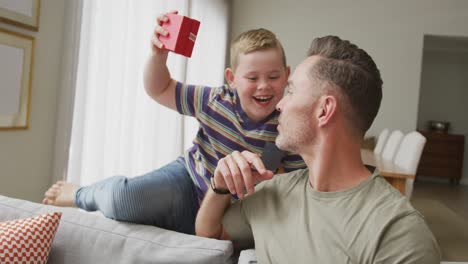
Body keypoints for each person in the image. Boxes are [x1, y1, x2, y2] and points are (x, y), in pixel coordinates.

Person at [42, 11, 305, 235]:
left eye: (273, 76)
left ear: (287, 76)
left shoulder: (289, 123)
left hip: (231, 210)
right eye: (252, 78)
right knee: (123, 200)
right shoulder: (214, 100)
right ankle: (78, 194)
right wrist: (158, 55)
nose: (264, 86)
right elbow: (160, 88)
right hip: (188, 182)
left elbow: (294, 184)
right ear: (232, 78)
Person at [195, 36, 441, 263]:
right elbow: (210, 234)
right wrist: (220, 187)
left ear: (324, 110)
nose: (280, 104)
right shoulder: (273, 192)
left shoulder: (398, 232)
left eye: (290, 90)